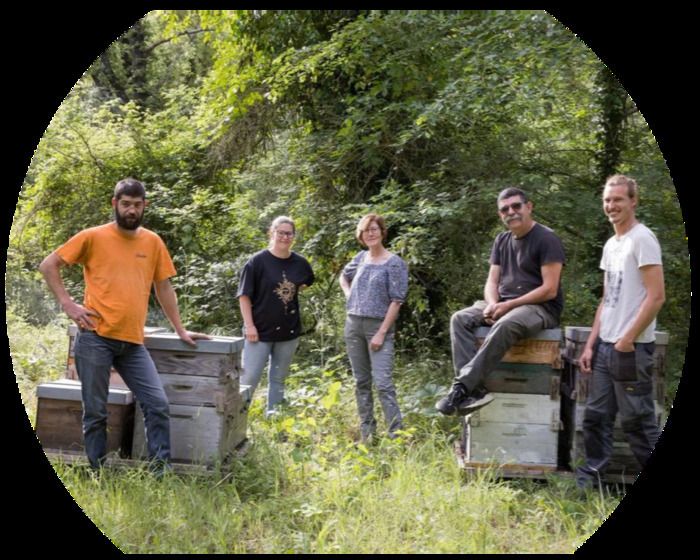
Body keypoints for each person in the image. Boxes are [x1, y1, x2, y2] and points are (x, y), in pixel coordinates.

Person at [39, 178, 208, 472]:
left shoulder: (153, 242)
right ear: (115, 203)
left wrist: (180, 329)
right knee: (96, 412)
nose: (131, 210)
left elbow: (163, 288)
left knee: (157, 404)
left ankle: (160, 473)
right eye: (126, 204)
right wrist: (68, 304)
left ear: (145, 206)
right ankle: (98, 472)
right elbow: (49, 264)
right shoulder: (93, 237)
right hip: (95, 338)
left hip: (132, 342)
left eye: (137, 205)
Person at [436, 187, 565, 416]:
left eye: (516, 206)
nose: (511, 212)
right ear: (500, 215)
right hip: (505, 303)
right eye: (505, 209)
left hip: (540, 308)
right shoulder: (501, 240)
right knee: (460, 319)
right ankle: (475, 392)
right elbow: (492, 281)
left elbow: (549, 289)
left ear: (529, 207)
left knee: (506, 323)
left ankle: (461, 388)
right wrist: (493, 304)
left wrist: (507, 307)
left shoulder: (547, 238)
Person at [575, 175, 665, 489]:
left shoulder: (642, 239)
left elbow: (656, 297)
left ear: (633, 201)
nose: (611, 206)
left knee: (638, 423)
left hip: (632, 349)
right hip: (604, 348)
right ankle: (590, 482)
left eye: (618, 200)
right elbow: (608, 298)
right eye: (607, 200)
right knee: (596, 418)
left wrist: (626, 340)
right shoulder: (612, 244)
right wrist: (591, 344)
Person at [340, 213, 409, 442]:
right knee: (361, 382)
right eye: (365, 230)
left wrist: (381, 333)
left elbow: (397, 300)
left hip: (378, 327)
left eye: (374, 229)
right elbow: (344, 276)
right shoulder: (360, 258)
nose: (370, 233)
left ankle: (396, 435)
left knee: (383, 384)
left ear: (382, 232)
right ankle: (367, 433)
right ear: (361, 235)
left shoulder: (394, 263)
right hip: (353, 326)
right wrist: (349, 295)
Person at [237, 216, 314, 415]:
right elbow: (244, 295)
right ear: (272, 233)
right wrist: (249, 326)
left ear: (294, 236)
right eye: (280, 232)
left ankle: (274, 419)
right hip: (259, 331)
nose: (284, 237)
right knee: (249, 379)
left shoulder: (300, 263)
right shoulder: (257, 262)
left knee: (278, 379)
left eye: (289, 233)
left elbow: (305, 283)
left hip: (289, 332)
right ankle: (236, 423)